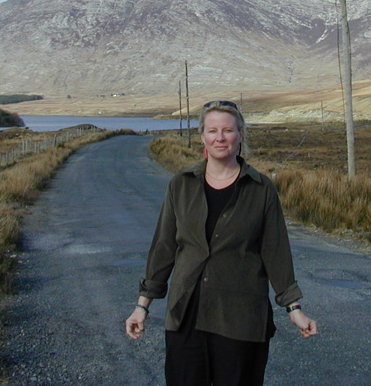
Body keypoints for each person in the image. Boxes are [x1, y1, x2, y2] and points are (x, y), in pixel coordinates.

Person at [125, 99, 317, 385]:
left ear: (240, 135)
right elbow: (164, 248)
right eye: (212, 130)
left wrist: (294, 309)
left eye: (227, 130)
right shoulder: (181, 184)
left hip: (241, 318)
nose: (220, 137)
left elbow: (276, 253)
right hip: (186, 315)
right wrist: (142, 306)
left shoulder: (261, 189)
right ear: (202, 135)